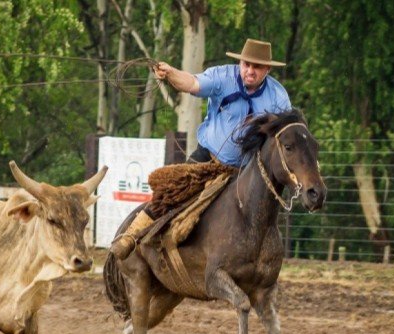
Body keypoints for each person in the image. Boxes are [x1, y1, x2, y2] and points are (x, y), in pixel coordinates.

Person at [110, 38, 292, 259]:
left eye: (257, 66)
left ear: (268, 69)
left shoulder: (278, 96)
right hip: (208, 157)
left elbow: (286, 137)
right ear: (240, 63)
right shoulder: (222, 76)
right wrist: (170, 73)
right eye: (247, 64)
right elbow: (192, 83)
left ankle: (259, 258)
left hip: (249, 171)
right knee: (172, 189)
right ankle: (131, 236)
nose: (250, 71)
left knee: (263, 210)